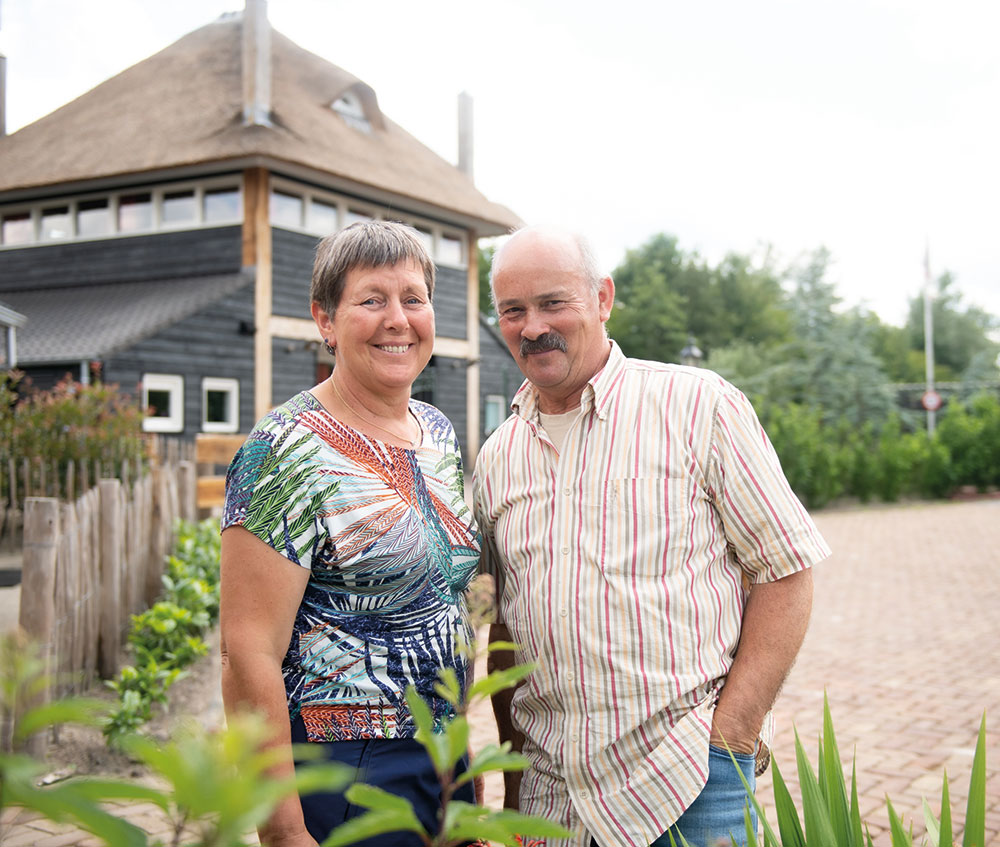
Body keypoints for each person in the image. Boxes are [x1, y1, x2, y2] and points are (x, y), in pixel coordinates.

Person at [472, 226, 831, 847]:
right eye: (514, 310)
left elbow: (787, 569)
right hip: (552, 800)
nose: (533, 327)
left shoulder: (698, 406)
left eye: (554, 303)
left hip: (686, 782)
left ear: (603, 299)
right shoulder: (498, 456)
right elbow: (505, 626)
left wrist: (734, 737)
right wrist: (512, 776)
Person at [220, 221, 480, 847]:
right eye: (371, 299)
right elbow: (247, 653)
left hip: (445, 757)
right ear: (325, 321)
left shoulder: (438, 432)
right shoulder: (283, 450)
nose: (398, 319)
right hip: (347, 771)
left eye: (413, 298)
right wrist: (283, 830)